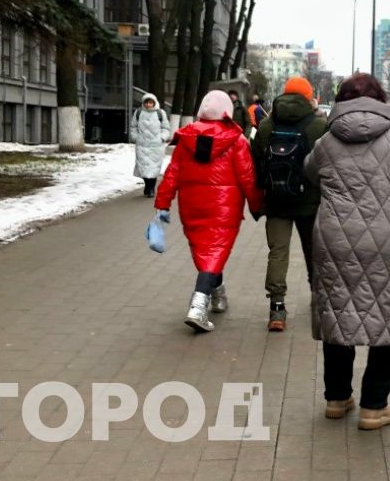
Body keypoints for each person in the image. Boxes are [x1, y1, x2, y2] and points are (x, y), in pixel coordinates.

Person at [306, 73, 390, 429]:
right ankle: (373, 406)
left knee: (338, 315)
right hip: (387, 244)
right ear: (381, 101)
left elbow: (309, 174)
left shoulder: (325, 144)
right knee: (389, 319)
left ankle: (337, 399)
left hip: (333, 242)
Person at [155, 90, 264, 332]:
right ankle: (197, 306)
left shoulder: (186, 138)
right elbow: (247, 177)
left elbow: (172, 174)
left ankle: (218, 294)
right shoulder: (236, 140)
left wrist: (162, 202)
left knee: (207, 251)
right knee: (214, 251)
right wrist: (257, 205)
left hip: (192, 206)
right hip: (225, 207)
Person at [251, 76, 327, 332]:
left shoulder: (266, 125)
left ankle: (277, 308)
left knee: (278, 252)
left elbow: (256, 161)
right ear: (309, 96)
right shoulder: (319, 125)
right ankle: (318, 300)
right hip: (311, 201)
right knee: (313, 251)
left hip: (276, 200)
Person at [131, 93, 171, 198]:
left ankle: (151, 188)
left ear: (154, 103)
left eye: (150, 102)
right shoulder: (138, 112)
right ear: (144, 103)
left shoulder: (160, 113)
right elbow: (133, 127)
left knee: (154, 168)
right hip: (142, 145)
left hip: (156, 146)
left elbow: (166, 128)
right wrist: (136, 138)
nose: (148, 105)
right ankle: (147, 186)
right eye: (147, 102)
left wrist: (162, 137)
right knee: (143, 167)